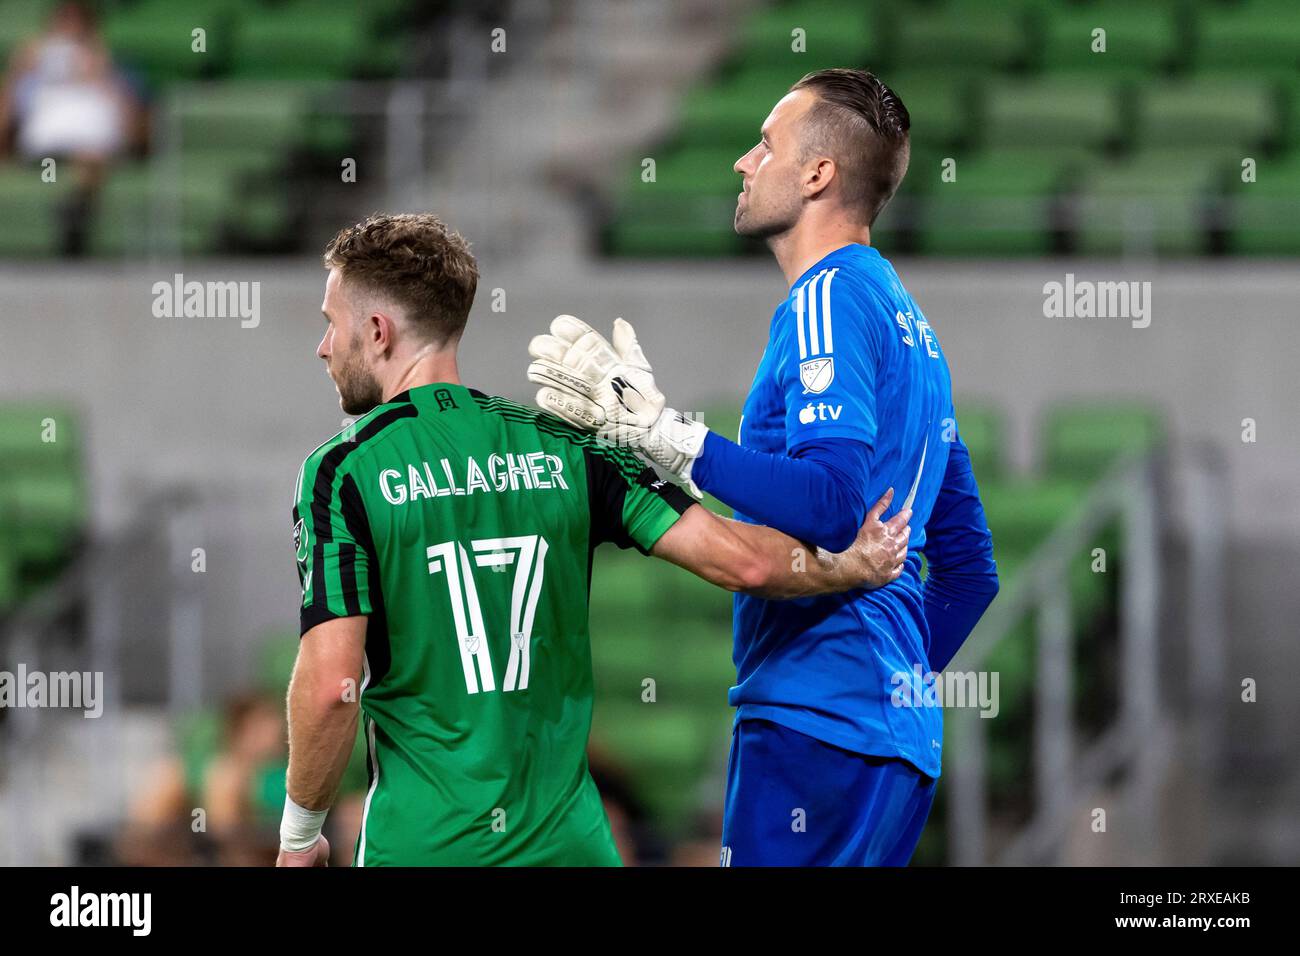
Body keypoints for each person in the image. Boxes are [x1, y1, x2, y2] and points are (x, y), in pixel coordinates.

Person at [277, 212, 911, 866]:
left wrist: (299, 838)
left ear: (377, 331)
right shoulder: (569, 444)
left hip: (427, 847)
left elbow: (332, 687)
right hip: (572, 846)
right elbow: (746, 564)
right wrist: (851, 564)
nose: (324, 347)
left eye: (331, 323)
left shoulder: (342, 472)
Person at [526, 68, 1000, 866]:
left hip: (814, 720)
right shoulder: (912, 327)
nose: (744, 162)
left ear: (818, 175)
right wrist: (896, 689)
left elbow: (831, 503)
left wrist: (667, 436)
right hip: (894, 745)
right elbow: (970, 570)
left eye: (766, 144)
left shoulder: (829, 298)